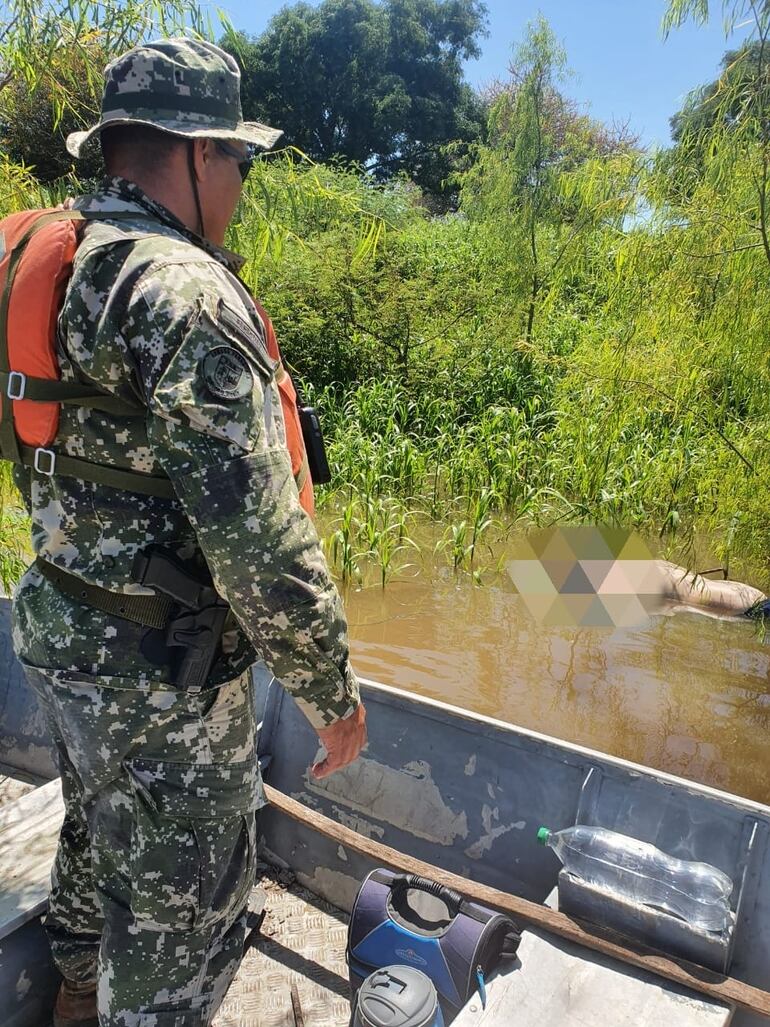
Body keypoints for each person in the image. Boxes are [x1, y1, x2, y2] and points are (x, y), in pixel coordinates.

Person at [11, 37, 367, 1027]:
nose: (244, 185)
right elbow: (258, 543)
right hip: (158, 672)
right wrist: (330, 693)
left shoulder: (66, 257)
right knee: (186, 904)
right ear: (198, 151)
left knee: (94, 820)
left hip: (58, 628)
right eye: (241, 162)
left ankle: (76, 987)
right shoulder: (184, 292)